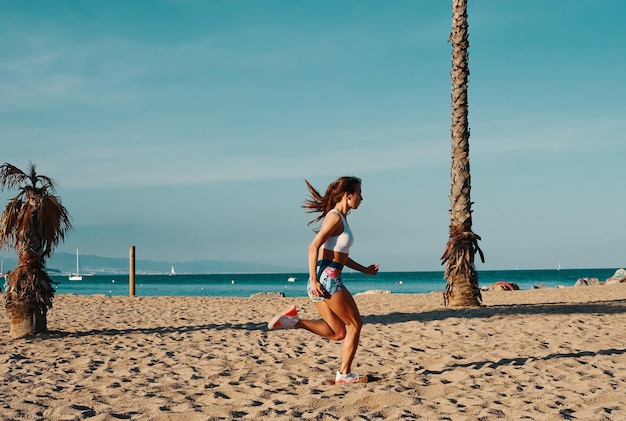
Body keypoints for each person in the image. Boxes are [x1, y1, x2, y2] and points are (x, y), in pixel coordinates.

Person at [267, 176, 379, 384]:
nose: (361, 198)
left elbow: (339, 255)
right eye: (358, 194)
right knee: (355, 324)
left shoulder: (339, 218)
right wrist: (314, 279)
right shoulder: (335, 217)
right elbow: (313, 247)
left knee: (338, 332)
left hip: (321, 279)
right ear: (348, 196)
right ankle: (344, 374)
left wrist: (364, 269)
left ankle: (293, 321)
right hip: (326, 279)